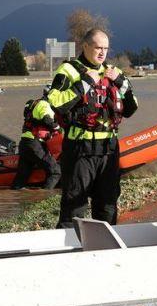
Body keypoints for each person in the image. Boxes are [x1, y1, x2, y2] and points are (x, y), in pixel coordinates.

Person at [46, 28, 138, 228]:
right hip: (80, 148)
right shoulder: (69, 70)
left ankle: (106, 250)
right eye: (97, 47)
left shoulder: (114, 72)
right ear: (85, 46)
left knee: (108, 205)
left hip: (109, 149)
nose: (102, 53)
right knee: (74, 206)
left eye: (105, 48)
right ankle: (67, 250)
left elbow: (131, 108)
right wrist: (86, 82)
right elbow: (55, 103)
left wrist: (120, 81)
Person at [11, 97, 62, 190]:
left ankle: (16, 198)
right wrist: (58, 128)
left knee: (21, 178)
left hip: (25, 144)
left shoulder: (36, 105)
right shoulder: (44, 105)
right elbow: (47, 120)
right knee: (55, 171)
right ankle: (45, 198)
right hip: (34, 144)